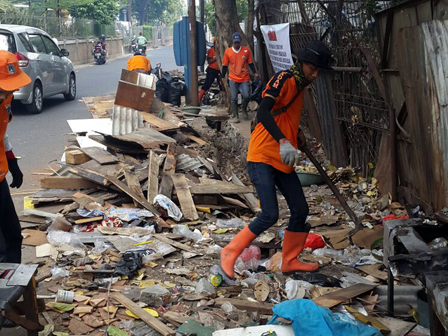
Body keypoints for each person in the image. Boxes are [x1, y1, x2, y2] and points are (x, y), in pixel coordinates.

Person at [220, 41, 334, 278]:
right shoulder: (283, 79)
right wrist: (283, 140)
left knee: (300, 209)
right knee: (270, 214)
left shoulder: (301, 86)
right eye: (312, 68)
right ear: (302, 63)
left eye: (318, 71)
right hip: (262, 155)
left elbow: (286, 116)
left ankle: (290, 260)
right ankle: (230, 252)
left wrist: (297, 135)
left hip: (283, 159)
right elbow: (263, 111)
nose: (315, 74)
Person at [0, 51, 30, 265]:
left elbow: (2, 132)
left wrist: (12, 162)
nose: (9, 92)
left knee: (12, 235)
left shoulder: (6, 97)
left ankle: (15, 288)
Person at [221, 32, 259, 123]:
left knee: (247, 95)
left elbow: (250, 63)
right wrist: (222, 76)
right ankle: (235, 115)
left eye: (238, 42)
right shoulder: (228, 52)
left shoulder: (246, 51)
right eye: (235, 42)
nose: (236, 44)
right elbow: (225, 65)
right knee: (233, 97)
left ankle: (244, 109)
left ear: (240, 42)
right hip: (233, 78)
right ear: (232, 42)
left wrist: (255, 73)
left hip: (244, 77)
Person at [198, 37, 222, 104]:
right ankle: (198, 99)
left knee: (222, 85)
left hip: (220, 69)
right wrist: (216, 58)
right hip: (212, 69)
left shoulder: (222, 50)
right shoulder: (211, 50)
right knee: (207, 84)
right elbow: (209, 61)